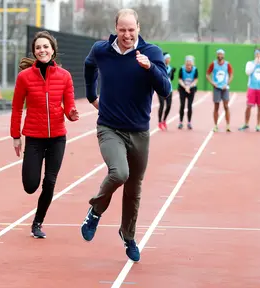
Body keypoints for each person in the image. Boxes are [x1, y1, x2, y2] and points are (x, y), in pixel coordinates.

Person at [80, 8, 171, 262]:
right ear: (115, 28)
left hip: (140, 131)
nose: (127, 35)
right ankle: (95, 211)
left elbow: (165, 90)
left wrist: (150, 67)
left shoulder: (151, 52)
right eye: (122, 30)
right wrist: (91, 95)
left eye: (131, 30)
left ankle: (128, 236)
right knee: (119, 172)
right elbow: (89, 66)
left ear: (139, 28)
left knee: (134, 187)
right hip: (109, 127)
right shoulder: (102, 50)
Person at [10, 31, 79, 239]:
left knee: (49, 181)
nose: (42, 50)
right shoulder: (24, 77)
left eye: (46, 47)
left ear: (53, 50)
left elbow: (69, 106)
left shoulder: (64, 76)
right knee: (31, 186)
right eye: (38, 47)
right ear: (34, 51)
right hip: (33, 137)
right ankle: (35, 209)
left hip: (57, 137)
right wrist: (15, 135)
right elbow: (16, 108)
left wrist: (72, 114)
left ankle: (37, 222)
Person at [238, 48, 260, 132]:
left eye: (259, 54)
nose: (258, 55)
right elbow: (248, 72)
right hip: (252, 87)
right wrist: (255, 63)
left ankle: (258, 125)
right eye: (256, 54)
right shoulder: (250, 63)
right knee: (249, 106)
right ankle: (246, 123)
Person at [206, 49, 234, 132]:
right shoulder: (213, 64)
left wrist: (227, 84)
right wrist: (212, 83)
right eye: (218, 54)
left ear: (223, 55)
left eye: (221, 54)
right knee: (216, 107)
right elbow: (207, 74)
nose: (220, 56)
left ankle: (228, 125)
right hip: (216, 88)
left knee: (226, 106)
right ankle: (215, 125)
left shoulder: (227, 64)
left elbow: (231, 75)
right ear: (217, 55)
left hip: (225, 88)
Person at [177, 55, 198, 130]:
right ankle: (180, 122)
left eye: (190, 64)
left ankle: (189, 122)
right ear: (185, 64)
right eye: (187, 64)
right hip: (182, 88)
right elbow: (179, 79)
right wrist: (185, 87)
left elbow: (195, 80)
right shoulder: (182, 69)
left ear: (192, 64)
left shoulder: (195, 70)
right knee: (182, 105)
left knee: (189, 106)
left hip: (191, 89)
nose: (189, 66)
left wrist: (189, 87)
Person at [158, 52, 176, 130]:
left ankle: (164, 120)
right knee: (162, 105)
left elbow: (171, 79)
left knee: (168, 106)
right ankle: (159, 122)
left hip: (169, 89)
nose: (169, 60)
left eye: (169, 58)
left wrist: (173, 73)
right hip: (161, 88)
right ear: (164, 59)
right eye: (167, 58)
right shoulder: (160, 67)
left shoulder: (170, 68)